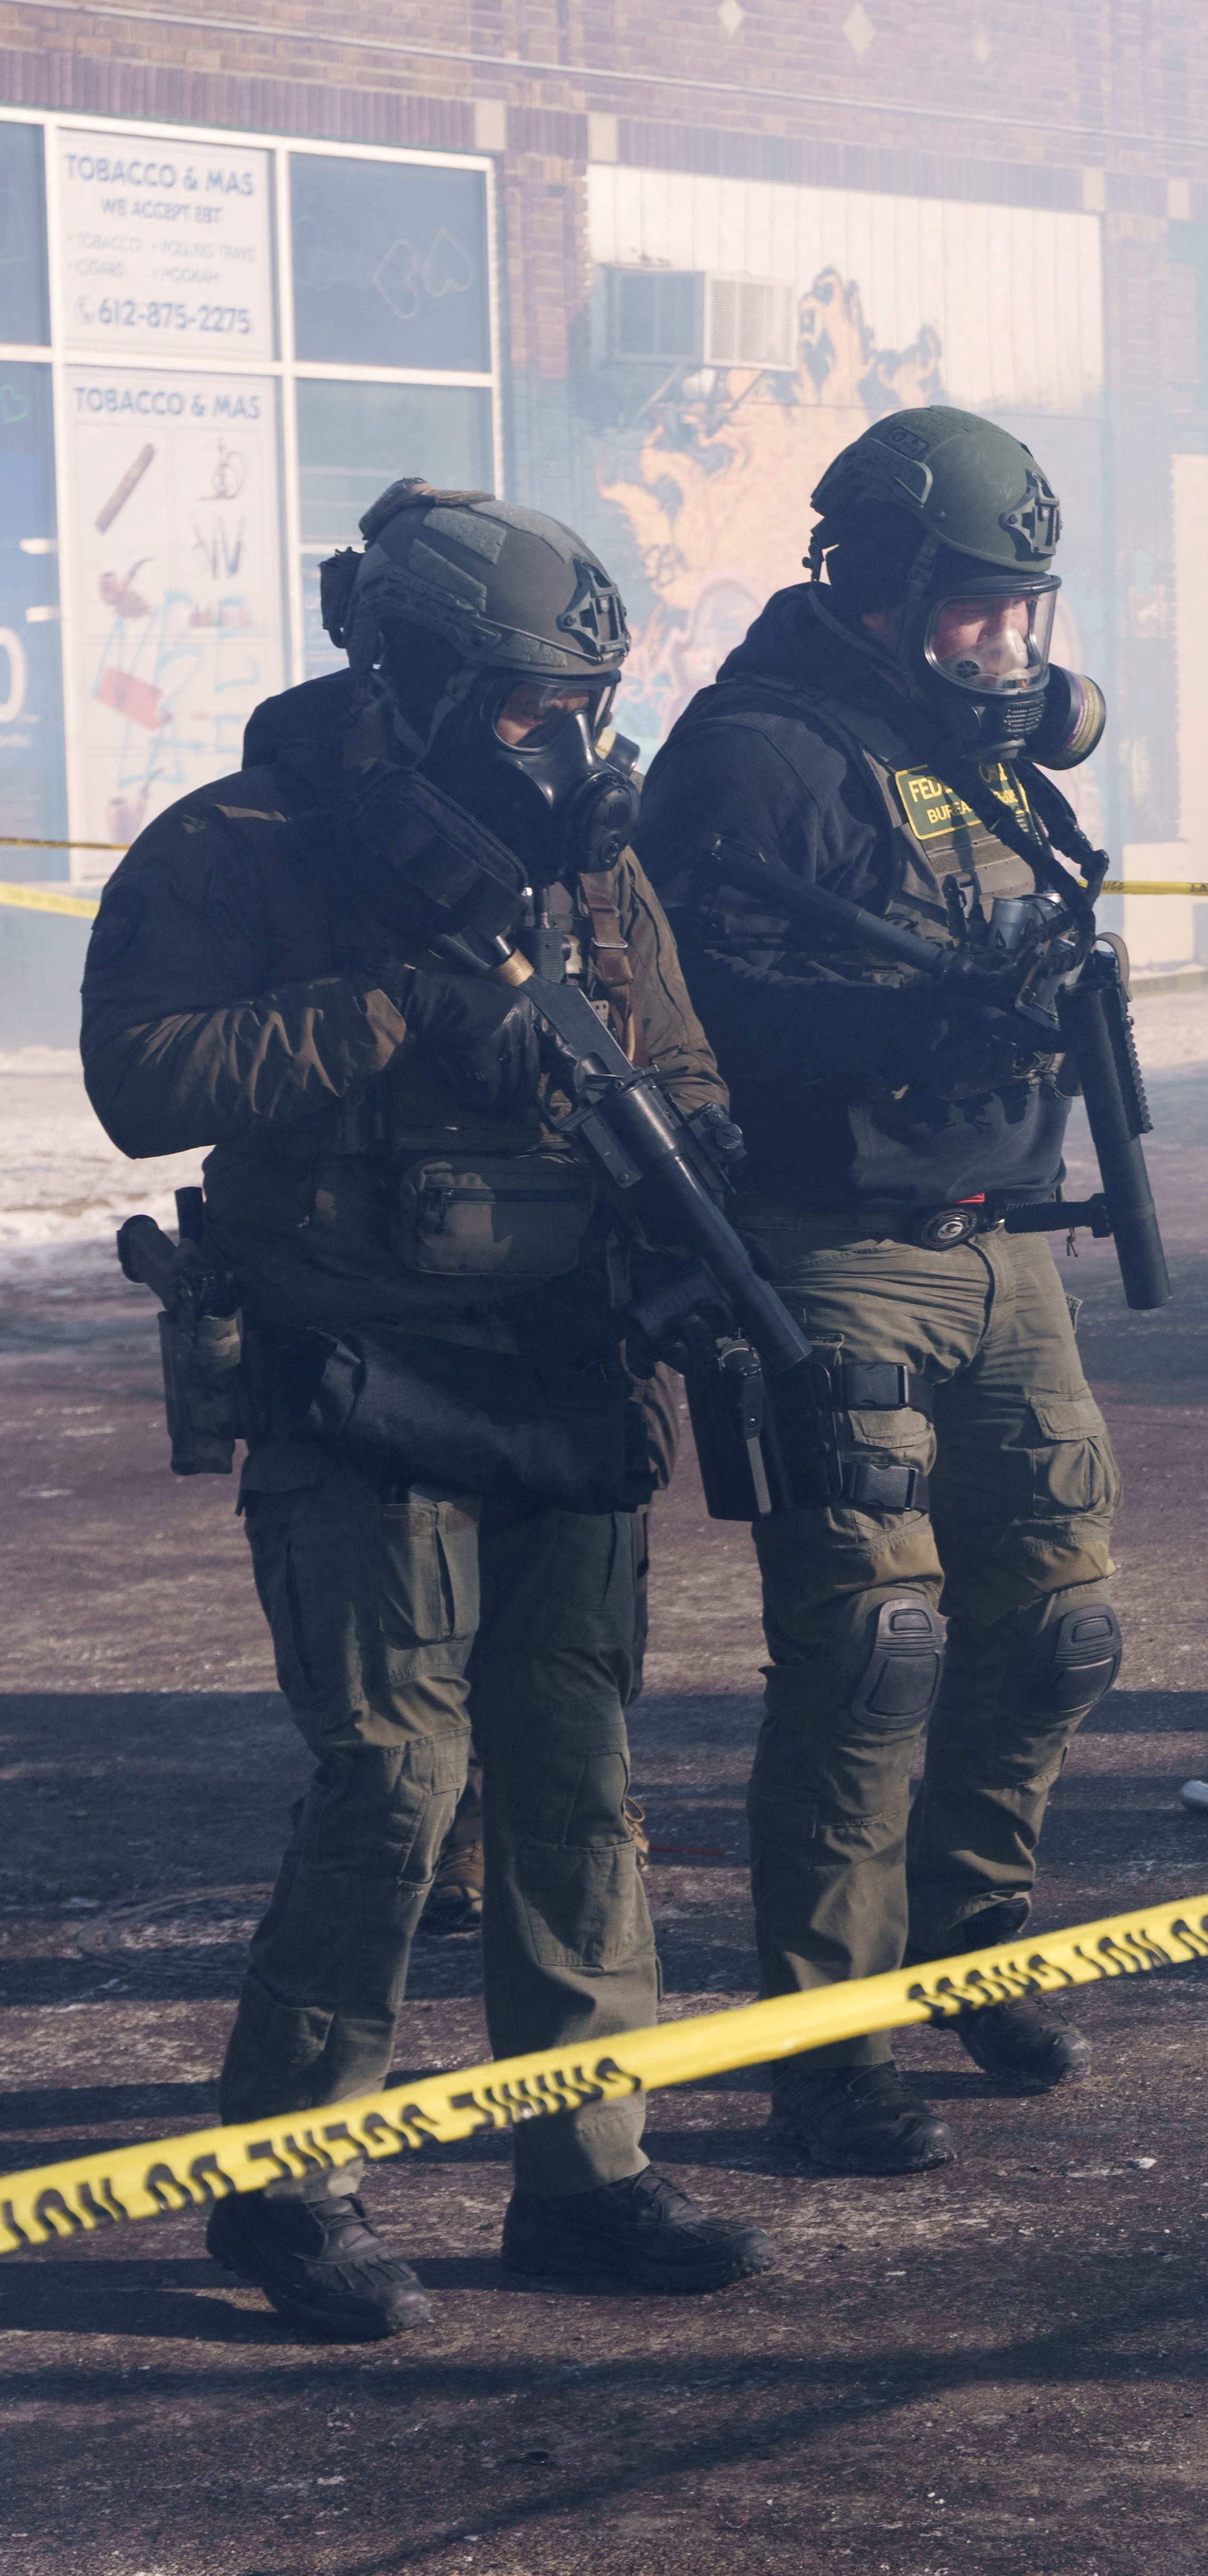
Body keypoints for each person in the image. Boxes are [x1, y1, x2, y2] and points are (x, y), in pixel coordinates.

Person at [82, 481, 774, 2336]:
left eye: (586, 707)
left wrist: (690, 1146)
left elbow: (680, 1051)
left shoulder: (590, 862)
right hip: (356, 1375)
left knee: (576, 1783)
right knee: (395, 1782)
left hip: (561, 1372)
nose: (568, 744)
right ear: (408, 677)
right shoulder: (241, 842)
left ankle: (588, 2170)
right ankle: (286, 2180)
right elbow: (140, 1073)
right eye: (528, 706)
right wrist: (396, 1010)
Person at [637, 407, 1131, 2179]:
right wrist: (914, 1022)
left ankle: (972, 1939)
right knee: (869, 1648)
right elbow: (704, 1011)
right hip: (832, 1242)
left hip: (1002, 1241)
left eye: (1027, 611)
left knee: (1061, 1615)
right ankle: (826, 2045)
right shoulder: (754, 756)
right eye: (979, 609)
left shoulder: (974, 750)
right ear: (876, 584)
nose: (1012, 644)